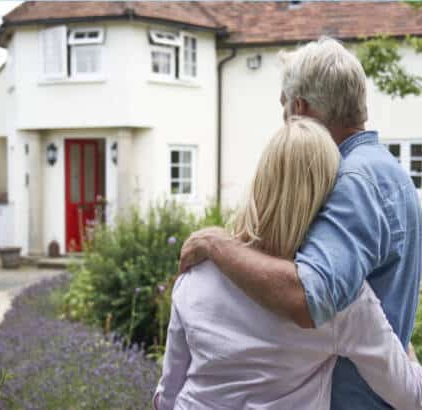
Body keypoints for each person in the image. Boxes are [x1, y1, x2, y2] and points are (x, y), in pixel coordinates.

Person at [178, 37, 422, 409]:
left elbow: (310, 297)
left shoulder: (351, 181)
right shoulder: (392, 172)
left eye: (283, 106)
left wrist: (216, 245)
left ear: (299, 108)